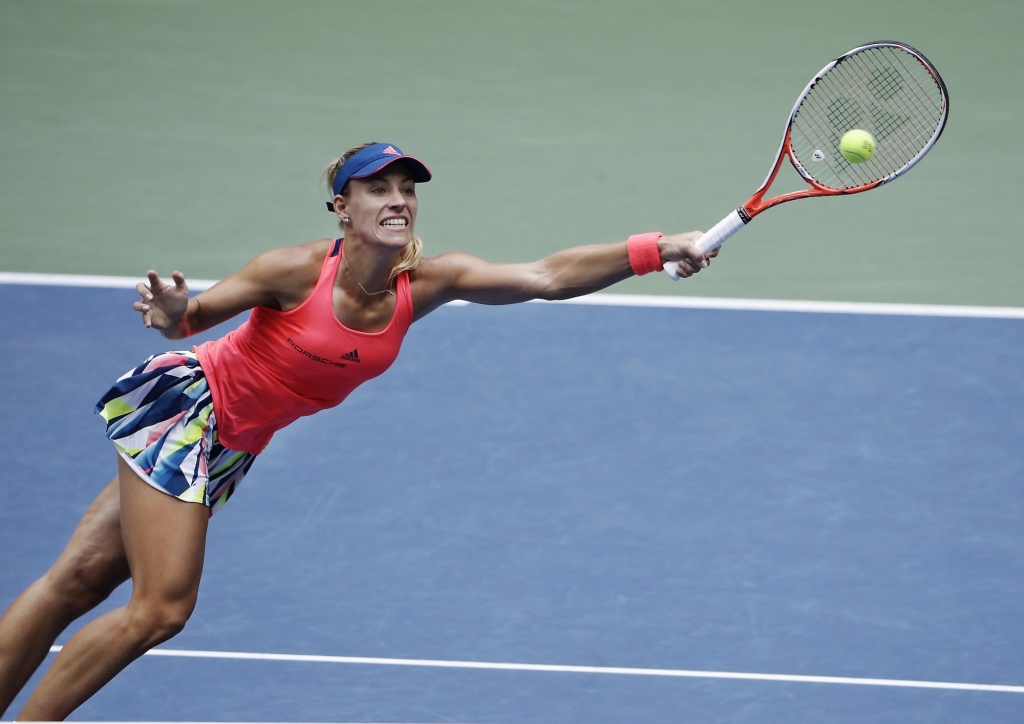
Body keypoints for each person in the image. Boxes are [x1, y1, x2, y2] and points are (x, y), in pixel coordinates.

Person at [0, 142, 715, 720]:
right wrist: (171, 307)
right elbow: (189, 321)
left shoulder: (428, 283)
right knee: (160, 610)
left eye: (407, 188)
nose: (397, 199)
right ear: (343, 208)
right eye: (377, 188)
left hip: (231, 445)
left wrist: (659, 246)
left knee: (77, 581)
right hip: (191, 413)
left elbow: (546, 276)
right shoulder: (295, 269)